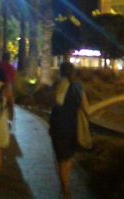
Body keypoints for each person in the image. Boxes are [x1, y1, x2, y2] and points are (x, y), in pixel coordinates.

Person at [49, 62, 90, 199]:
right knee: (68, 158)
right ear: (73, 72)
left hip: (57, 126)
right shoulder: (78, 87)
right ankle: (66, 188)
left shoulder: (57, 85)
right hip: (72, 126)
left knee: (61, 159)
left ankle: (65, 188)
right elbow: (86, 109)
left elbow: (49, 102)